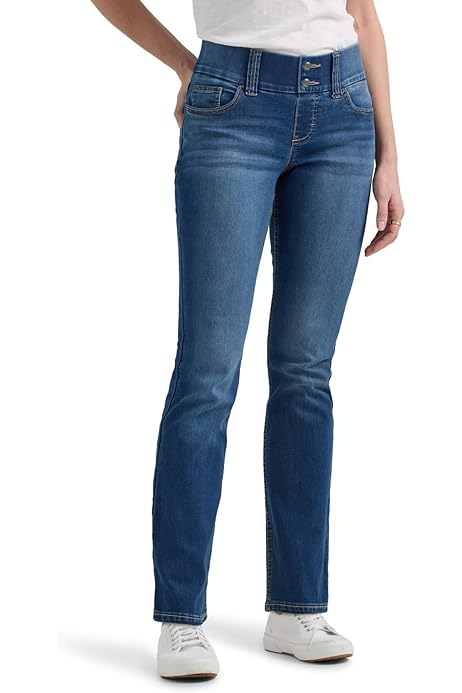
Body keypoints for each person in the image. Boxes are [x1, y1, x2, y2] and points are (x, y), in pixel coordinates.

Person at [91, 0, 404, 680]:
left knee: (306, 373)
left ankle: (296, 608)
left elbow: (362, 13)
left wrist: (389, 155)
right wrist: (185, 64)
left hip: (344, 113)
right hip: (233, 107)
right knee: (207, 374)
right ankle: (181, 617)